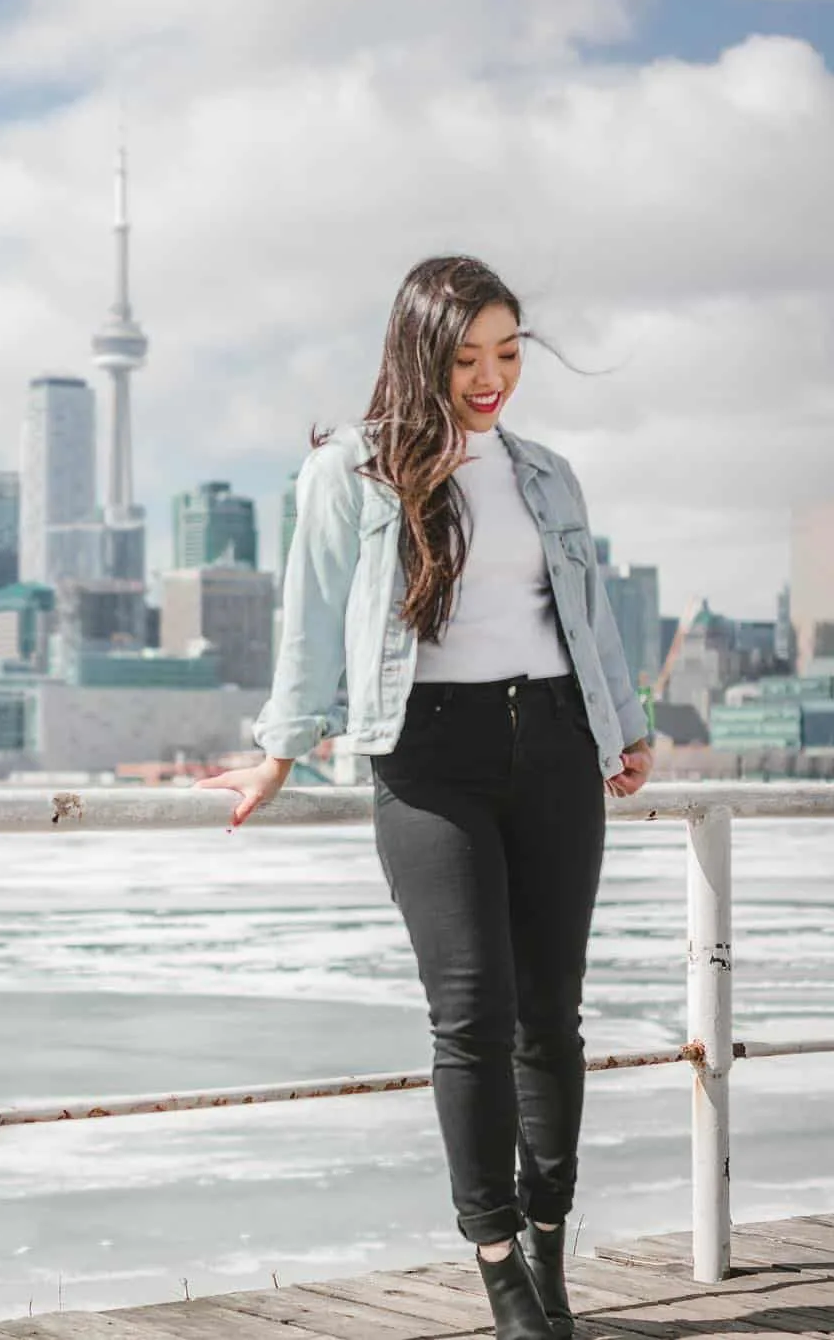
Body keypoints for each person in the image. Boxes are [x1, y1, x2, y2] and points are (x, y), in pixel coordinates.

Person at [196, 255, 654, 1340]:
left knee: (552, 1017)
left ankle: (550, 1249)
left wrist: (625, 729)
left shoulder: (547, 473)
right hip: (427, 756)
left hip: (552, 740)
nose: (492, 378)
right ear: (421, 352)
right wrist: (280, 748)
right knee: (473, 1016)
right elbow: (307, 621)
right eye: (468, 358)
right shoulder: (348, 471)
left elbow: (587, 617)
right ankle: (500, 1272)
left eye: (508, 353)